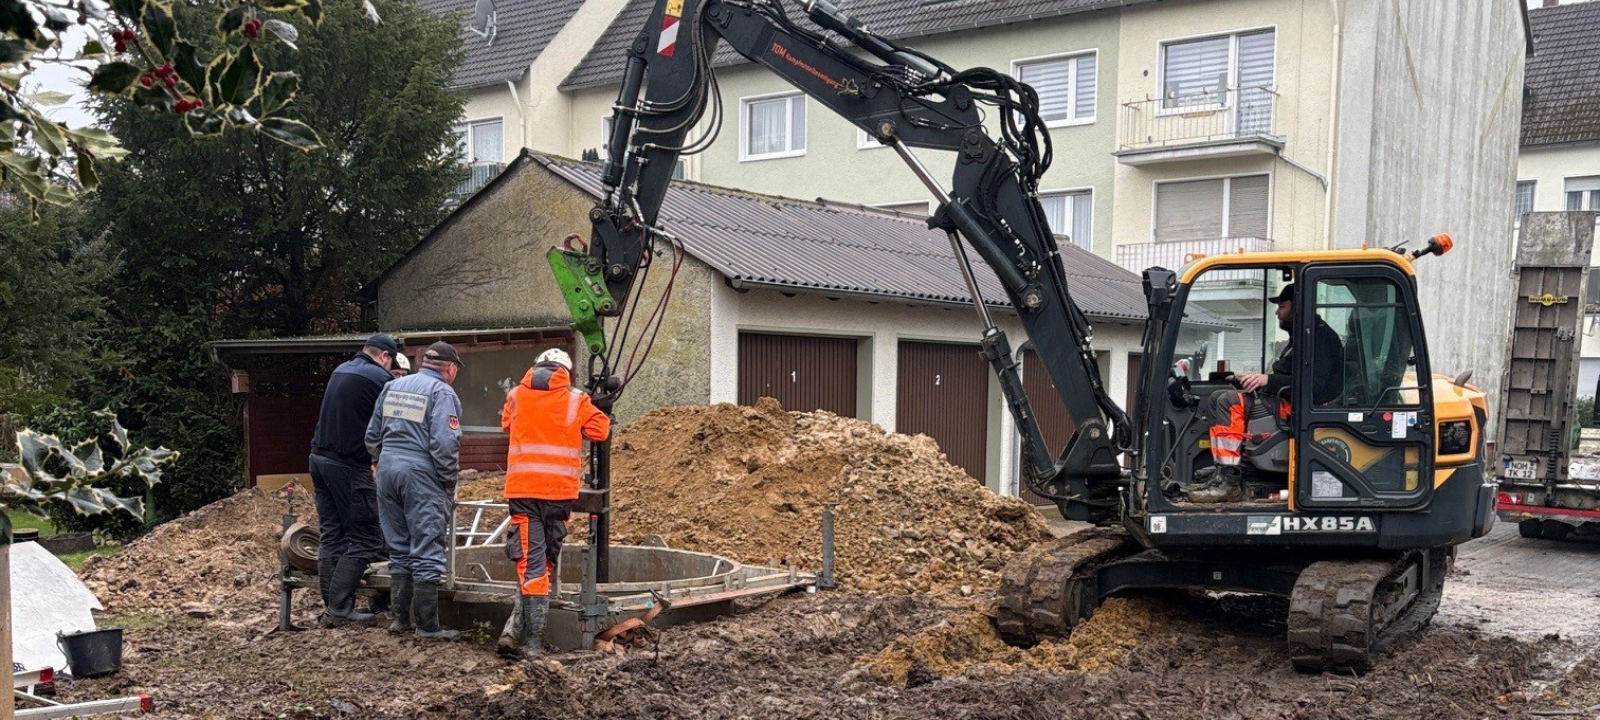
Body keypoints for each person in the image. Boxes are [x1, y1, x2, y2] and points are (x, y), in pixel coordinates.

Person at [495, 348, 611, 659]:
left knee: (532, 564)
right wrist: (599, 406)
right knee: (542, 562)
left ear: (536, 367)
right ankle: (533, 642)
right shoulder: (576, 399)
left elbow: (507, 425)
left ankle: (517, 633)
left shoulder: (516, 395)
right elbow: (600, 430)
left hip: (523, 492)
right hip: (558, 494)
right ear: (565, 371)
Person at [1194, 283, 1343, 502]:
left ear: (1298, 307)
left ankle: (1229, 482)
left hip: (1302, 408)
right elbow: (1293, 375)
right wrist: (1258, 380)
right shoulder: (1302, 335)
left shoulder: (1318, 338)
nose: (1277, 312)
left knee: (1229, 402)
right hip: (1286, 397)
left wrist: (1268, 380)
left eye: (1282, 306)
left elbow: (1315, 388)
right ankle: (1222, 472)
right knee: (1216, 397)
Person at [365, 341, 466, 640]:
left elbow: (372, 434)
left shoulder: (393, 386)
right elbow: (445, 443)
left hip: (387, 469)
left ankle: (400, 620)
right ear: (450, 368)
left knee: (399, 547)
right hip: (420, 474)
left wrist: (381, 460)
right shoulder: (441, 392)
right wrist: (448, 481)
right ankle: (427, 625)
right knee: (426, 547)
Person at [308, 333, 398, 627]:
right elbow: (396, 421)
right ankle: (339, 609)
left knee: (332, 534)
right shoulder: (380, 378)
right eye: (391, 364)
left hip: (319, 459)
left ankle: (332, 608)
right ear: (384, 356)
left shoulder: (341, 370)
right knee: (367, 538)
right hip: (348, 465)